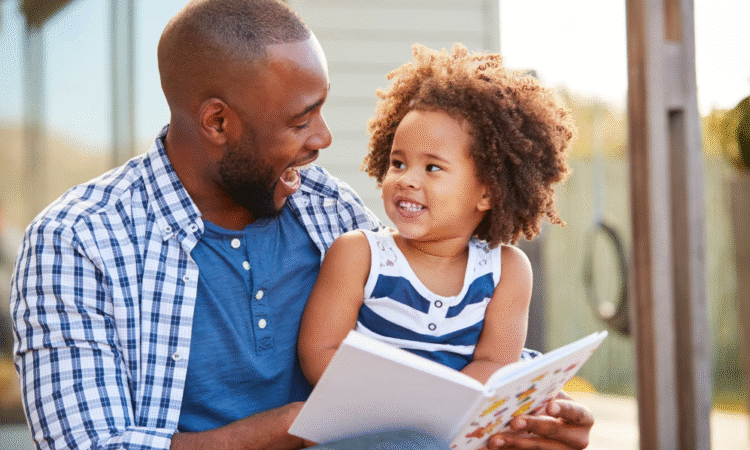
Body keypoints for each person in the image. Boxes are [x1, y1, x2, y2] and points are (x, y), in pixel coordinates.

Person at [9, 1, 594, 449]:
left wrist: (530, 412)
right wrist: (297, 426)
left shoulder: (326, 209)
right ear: (218, 122)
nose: (323, 139)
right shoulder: (78, 241)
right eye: (300, 119)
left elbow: (435, 329)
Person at [299, 43, 574, 386]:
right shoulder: (359, 255)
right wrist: (395, 402)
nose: (406, 179)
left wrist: (437, 409)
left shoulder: (507, 272)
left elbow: (494, 363)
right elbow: (321, 351)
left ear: (487, 192)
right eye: (397, 163)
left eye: (432, 167)